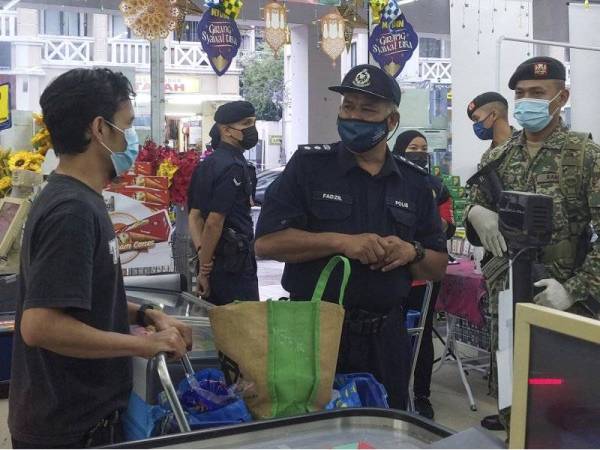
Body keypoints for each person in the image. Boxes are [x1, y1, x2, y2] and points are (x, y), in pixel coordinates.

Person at [8, 68, 192, 449]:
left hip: (82, 419)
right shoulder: (71, 210)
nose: (131, 139)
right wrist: (142, 345)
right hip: (68, 430)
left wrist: (145, 315)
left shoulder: (81, 199)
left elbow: (81, 296)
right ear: (99, 129)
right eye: (126, 126)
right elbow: (40, 325)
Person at [255, 64, 448, 409]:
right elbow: (267, 243)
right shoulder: (309, 167)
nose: (354, 116)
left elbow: (436, 266)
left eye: (367, 109)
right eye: (348, 107)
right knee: (311, 431)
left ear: (391, 121)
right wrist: (341, 242)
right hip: (313, 333)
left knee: (384, 430)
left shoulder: (414, 183)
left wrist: (411, 252)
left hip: (386, 338)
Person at [465, 56, 600, 435]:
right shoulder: (498, 157)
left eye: (538, 93)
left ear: (562, 97)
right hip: (507, 294)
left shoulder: (586, 155)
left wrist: (572, 291)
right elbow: (474, 217)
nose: (527, 101)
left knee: (563, 401)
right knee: (511, 391)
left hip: (560, 298)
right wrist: (476, 212)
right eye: (521, 94)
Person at [392, 130, 455, 419]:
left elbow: (447, 225)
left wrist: (435, 225)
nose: (419, 152)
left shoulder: (435, 186)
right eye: (412, 147)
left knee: (423, 334)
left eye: (423, 148)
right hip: (392, 274)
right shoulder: (391, 180)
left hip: (425, 276)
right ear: (400, 150)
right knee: (391, 333)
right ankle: (392, 391)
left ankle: (422, 395)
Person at [466, 92, 516, 431]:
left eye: (478, 119)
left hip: (532, 260)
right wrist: (474, 211)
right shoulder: (489, 157)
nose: (477, 127)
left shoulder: (522, 150)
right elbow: (473, 203)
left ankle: (530, 412)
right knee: (503, 338)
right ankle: (508, 410)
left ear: (494, 114)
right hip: (499, 260)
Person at [188, 101, 259, 305]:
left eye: (253, 122)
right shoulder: (233, 167)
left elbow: (194, 215)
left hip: (218, 259)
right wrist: (204, 269)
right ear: (227, 130)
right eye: (246, 123)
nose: (252, 129)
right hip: (234, 265)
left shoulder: (208, 164)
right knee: (244, 327)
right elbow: (213, 221)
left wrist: (203, 256)